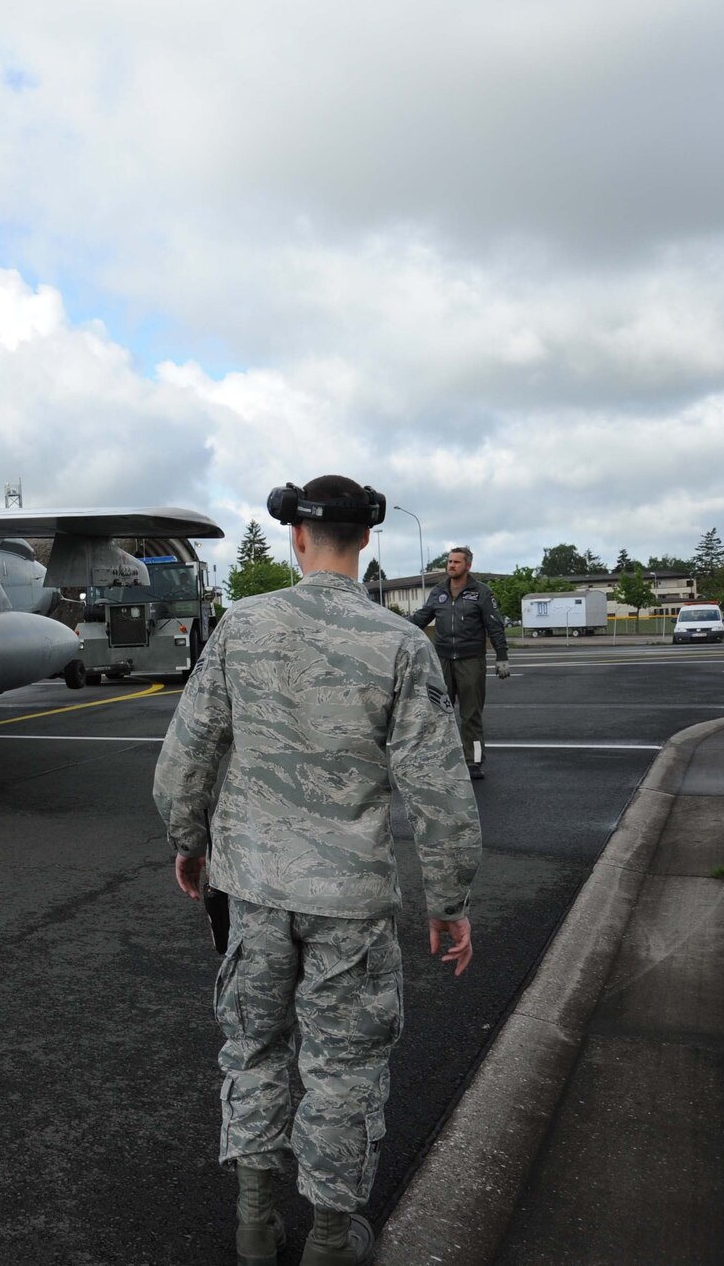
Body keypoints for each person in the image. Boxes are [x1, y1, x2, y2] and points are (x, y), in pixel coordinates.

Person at [152, 476, 481, 1266]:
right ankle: (332, 1239)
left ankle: (254, 1225)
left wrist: (189, 840)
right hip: (350, 900)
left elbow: (186, 756)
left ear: (297, 537)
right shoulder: (402, 642)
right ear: (364, 540)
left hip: (253, 888)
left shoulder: (240, 625)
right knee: (344, 1066)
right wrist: (450, 899)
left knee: (254, 1048)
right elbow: (438, 790)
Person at [408, 547, 510, 779]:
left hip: (471, 661)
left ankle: (473, 761)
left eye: (456, 562)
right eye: (450, 561)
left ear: (468, 566)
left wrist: (502, 656)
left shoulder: (481, 593)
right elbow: (420, 618)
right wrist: (395, 627)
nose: (451, 565)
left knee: (471, 714)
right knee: (439, 712)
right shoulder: (439, 592)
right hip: (442, 659)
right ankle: (441, 759)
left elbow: (495, 625)